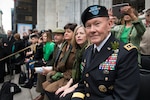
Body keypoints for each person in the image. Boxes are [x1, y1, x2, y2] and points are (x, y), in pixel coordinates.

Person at [71, 5, 140, 100]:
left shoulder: (125, 53)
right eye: (88, 26)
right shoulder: (88, 51)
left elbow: (123, 97)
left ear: (110, 24)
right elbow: (84, 84)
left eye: (97, 24)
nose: (92, 30)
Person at [42, 23, 77, 100]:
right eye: (65, 32)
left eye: (68, 32)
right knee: (46, 83)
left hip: (68, 76)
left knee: (50, 89)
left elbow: (74, 68)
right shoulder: (64, 46)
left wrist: (60, 74)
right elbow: (57, 62)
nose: (66, 33)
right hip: (61, 72)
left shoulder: (76, 48)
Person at [55, 25, 89, 100]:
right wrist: (68, 85)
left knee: (62, 96)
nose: (78, 36)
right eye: (76, 34)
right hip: (76, 81)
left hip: (85, 85)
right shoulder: (79, 51)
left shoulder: (88, 50)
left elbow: (85, 77)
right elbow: (75, 73)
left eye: (81, 33)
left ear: (87, 35)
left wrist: (72, 87)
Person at [33, 28, 64, 100]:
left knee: (49, 75)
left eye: (58, 35)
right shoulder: (56, 46)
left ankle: (46, 97)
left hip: (60, 70)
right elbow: (53, 60)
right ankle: (42, 94)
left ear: (63, 37)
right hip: (53, 66)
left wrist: (50, 68)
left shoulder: (55, 45)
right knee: (40, 72)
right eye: (55, 35)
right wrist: (47, 67)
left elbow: (62, 62)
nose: (55, 37)